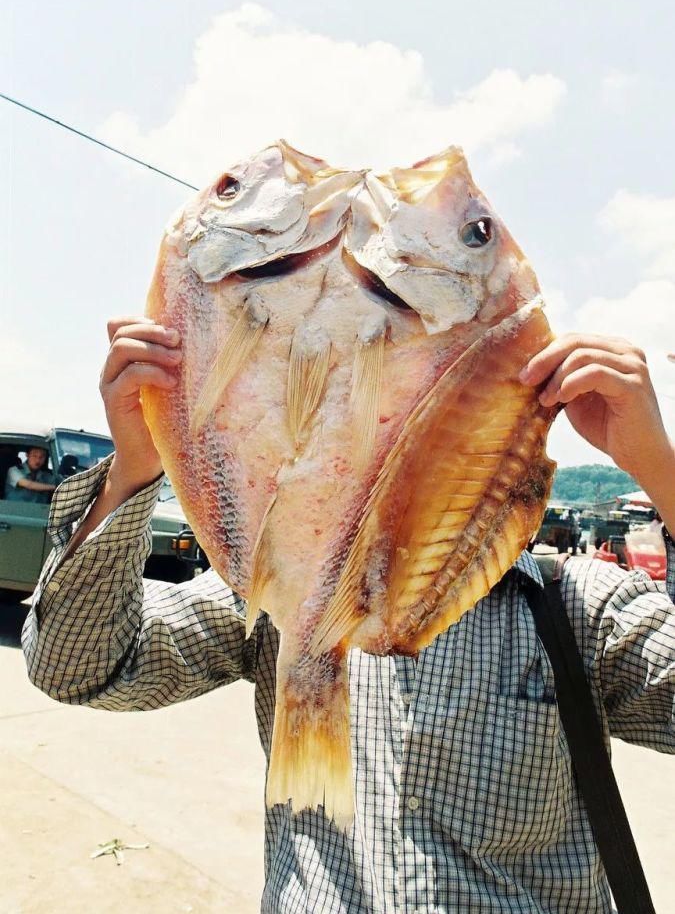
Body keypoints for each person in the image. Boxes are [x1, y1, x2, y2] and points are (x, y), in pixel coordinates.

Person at [22, 318, 675, 914]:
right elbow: (79, 667)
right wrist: (134, 472)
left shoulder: (580, 611)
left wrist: (657, 467)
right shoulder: (283, 594)